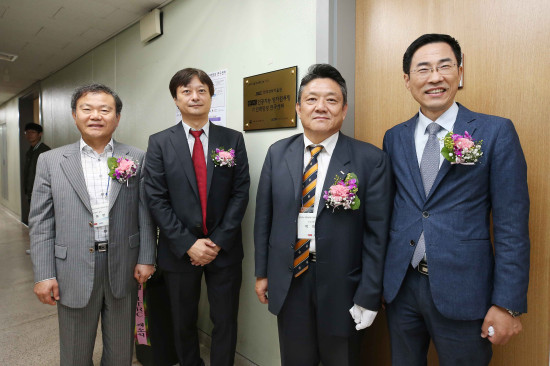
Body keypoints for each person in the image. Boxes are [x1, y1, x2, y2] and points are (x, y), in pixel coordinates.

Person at [382, 33, 530, 366]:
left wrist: (507, 304)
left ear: (460, 73)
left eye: (444, 66)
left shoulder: (495, 132)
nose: (435, 77)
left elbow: (512, 225)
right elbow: (391, 212)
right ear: (407, 80)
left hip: (466, 290)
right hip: (401, 287)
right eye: (423, 69)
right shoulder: (394, 137)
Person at [254, 64, 393, 365]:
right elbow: (264, 219)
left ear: (344, 110)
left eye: (331, 100)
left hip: (344, 286)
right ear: (298, 108)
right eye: (312, 99)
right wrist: (262, 272)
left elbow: (377, 235)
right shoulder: (278, 153)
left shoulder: (371, 160)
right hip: (290, 281)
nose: (321, 107)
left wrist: (369, 294)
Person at [29, 83, 156, 366]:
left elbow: (144, 213)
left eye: (104, 109)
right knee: (74, 351)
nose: (95, 115)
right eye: (87, 109)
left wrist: (147, 257)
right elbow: (40, 221)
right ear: (75, 115)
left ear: (117, 117)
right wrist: (43, 273)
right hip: (71, 267)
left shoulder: (135, 157)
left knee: (122, 350)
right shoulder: (50, 161)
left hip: (123, 264)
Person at [143, 68, 250, 366]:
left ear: (211, 97)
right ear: (175, 99)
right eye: (186, 91)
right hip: (179, 250)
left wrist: (216, 241)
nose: (195, 96)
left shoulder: (232, 140)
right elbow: (156, 198)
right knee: (182, 320)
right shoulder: (160, 143)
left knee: (226, 320)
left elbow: (240, 193)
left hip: (224, 249)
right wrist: (189, 243)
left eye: (202, 90)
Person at [23, 122, 50, 204]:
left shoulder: (44, 151)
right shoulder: (30, 151)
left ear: (40, 134)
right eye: (27, 132)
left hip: (41, 193)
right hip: (31, 193)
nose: (29, 135)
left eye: (33, 132)